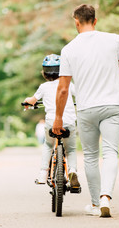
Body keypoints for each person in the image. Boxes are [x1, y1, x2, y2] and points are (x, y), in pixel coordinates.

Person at [52, 4, 119, 218]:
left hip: (87, 109)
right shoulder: (114, 40)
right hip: (113, 106)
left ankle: (95, 204)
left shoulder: (68, 50)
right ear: (95, 21)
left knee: (92, 157)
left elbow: (63, 88)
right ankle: (106, 197)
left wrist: (58, 118)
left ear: (77, 22)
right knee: (111, 152)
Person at [24, 54, 80, 189]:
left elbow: (33, 100)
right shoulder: (68, 85)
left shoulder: (43, 87)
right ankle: (72, 171)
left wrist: (27, 101)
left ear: (44, 72)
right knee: (71, 149)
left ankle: (43, 173)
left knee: (48, 146)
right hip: (69, 122)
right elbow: (80, 95)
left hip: (51, 122)